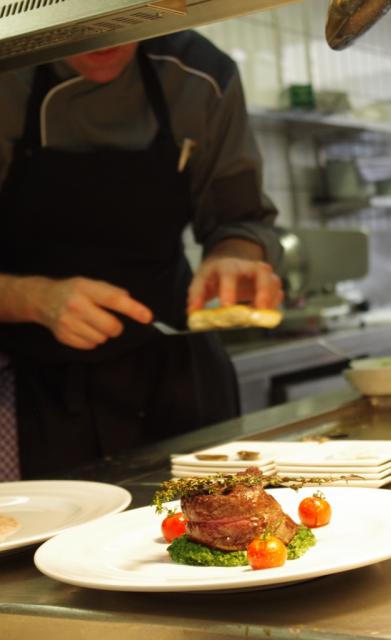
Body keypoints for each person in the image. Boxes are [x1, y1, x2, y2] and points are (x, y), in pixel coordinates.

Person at [0, 31, 284, 481]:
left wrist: (233, 257)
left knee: (218, 516)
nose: (106, 32)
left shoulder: (200, 75)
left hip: (176, 367)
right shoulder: (8, 72)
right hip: (33, 385)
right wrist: (32, 299)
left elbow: (241, 220)